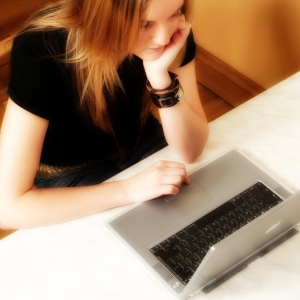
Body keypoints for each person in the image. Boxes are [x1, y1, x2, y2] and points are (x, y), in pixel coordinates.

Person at [0, 0, 209, 229]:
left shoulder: (174, 34)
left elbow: (192, 151)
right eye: (143, 24)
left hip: (141, 142)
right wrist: (128, 189)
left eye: (175, 13)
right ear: (104, 16)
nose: (162, 38)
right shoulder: (40, 50)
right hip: (70, 170)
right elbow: (8, 208)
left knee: (195, 215)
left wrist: (161, 81)